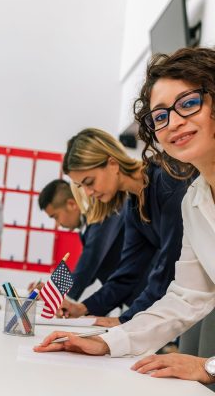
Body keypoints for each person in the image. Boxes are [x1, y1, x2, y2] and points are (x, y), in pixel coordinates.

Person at [34, 47, 215, 387]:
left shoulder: (173, 186)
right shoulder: (195, 199)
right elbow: (186, 295)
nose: (173, 122)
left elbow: (155, 272)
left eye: (188, 103)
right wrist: (106, 341)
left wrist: (209, 367)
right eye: (159, 116)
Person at [52, 128, 191, 327]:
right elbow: (127, 274)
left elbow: (169, 266)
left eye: (89, 182)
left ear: (112, 164)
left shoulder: (167, 182)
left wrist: (123, 320)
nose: (88, 192)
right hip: (184, 295)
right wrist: (83, 309)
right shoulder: (134, 204)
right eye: (82, 186)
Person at [34, 179, 125, 301]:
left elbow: (89, 263)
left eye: (56, 216)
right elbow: (87, 269)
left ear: (71, 204)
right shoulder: (87, 226)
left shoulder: (101, 215)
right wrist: (52, 289)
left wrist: (54, 295)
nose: (58, 223)